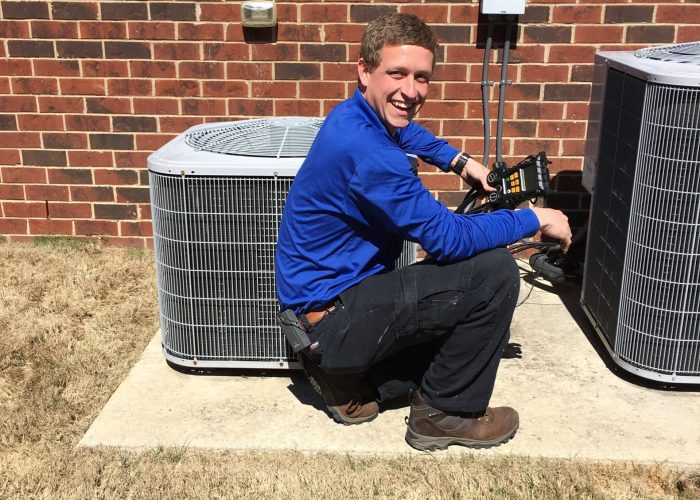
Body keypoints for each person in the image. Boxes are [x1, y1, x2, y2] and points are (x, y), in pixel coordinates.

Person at [275, 12, 571, 451]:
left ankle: (354, 384)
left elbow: (409, 131)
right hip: (333, 323)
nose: (411, 91)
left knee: (451, 298)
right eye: (397, 74)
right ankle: (445, 414)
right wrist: (535, 218)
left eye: (422, 78)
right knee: (492, 273)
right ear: (364, 70)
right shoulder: (374, 156)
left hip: (318, 314)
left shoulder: (352, 115)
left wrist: (462, 163)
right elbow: (448, 237)